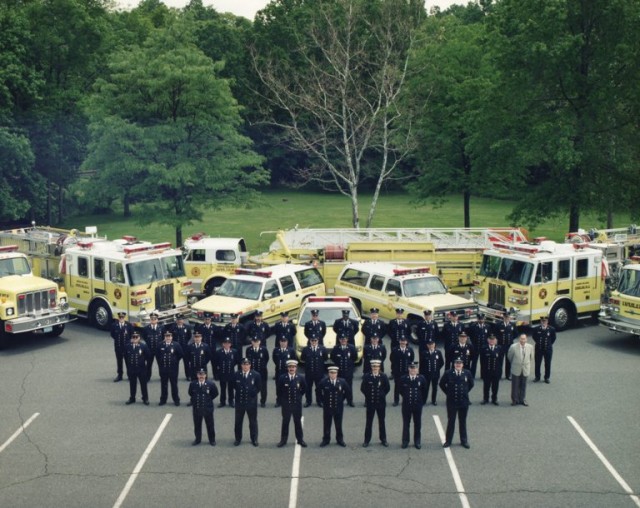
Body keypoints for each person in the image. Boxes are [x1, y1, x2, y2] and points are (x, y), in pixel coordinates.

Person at [439, 357, 474, 449]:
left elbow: (471, 384)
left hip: (463, 401)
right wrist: (449, 393)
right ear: (454, 364)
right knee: (451, 421)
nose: (458, 365)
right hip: (452, 402)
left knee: (462, 421)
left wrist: (465, 393)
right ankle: (448, 441)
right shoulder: (448, 373)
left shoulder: (467, 373)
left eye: (460, 363)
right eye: (456, 363)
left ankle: (464, 441)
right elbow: (441, 384)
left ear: (462, 364)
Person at [277, 360, 307, 448]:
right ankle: (283, 440)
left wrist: (299, 396)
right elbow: (279, 390)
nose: (291, 369)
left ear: (296, 368)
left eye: (293, 367)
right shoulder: (283, 377)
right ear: (287, 368)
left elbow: (304, 388)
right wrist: (283, 400)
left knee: (297, 422)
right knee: (285, 422)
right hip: (286, 404)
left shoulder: (300, 378)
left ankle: (300, 440)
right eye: (290, 367)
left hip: (296, 404)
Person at [318, 366, 351, 447]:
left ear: (337, 373)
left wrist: (341, 400)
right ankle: (326, 439)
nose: (333, 374)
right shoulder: (324, 381)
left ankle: (340, 439)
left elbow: (348, 392)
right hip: (327, 407)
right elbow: (318, 392)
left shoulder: (342, 381)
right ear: (329, 373)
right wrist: (323, 401)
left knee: (338, 424)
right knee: (327, 424)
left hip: (338, 407)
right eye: (331, 373)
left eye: (334, 373)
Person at [360, 359, 390, 447]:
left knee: (382, 422)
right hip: (370, 403)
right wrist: (368, 396)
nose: (375, 368)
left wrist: (381, 395)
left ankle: (383, 439)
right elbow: (363, 388)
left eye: (376, 366)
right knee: (369, 422)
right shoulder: (367, 376)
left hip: (381, 403)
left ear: (379, 367)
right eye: (373, 366)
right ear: (371, 367)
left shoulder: (383, 376)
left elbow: (387, 388)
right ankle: (366, 440)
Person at [233, 358, 261, 446]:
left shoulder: (256, 375)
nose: (245, 366)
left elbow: (258, 387)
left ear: (250, 365)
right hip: (240, 402)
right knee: (238, 422)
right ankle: (238, 439)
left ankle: (254, 439)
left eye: (247, 364)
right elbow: (233, 386)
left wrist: (252, 394)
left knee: (253, 422)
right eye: (244, 364)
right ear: (241, 365)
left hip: (251, 402)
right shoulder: (237, 374)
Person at [399, 362, 428, 449]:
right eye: (411, 368)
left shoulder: (421, 379)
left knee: (417, 423)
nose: (413, 370)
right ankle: (405, 441)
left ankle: (417, 441)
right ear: (409, 369)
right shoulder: (404, 378)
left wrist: (422, 402)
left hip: (417, 405)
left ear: (417, 370)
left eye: (414, 368)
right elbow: (400, 390)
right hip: (406, 405)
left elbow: (425, 391)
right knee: (406, 424)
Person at [188, 368, 219, 446]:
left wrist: (208, 400)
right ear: (197, 375)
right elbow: (191, 393)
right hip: (197, 408)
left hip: (207, 408)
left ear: (205, 375)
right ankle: (198, 439)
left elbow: (215, 393)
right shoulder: (193, 384)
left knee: (210, 425)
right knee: (197, 425)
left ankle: (212, 440)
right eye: (199, 374)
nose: (201, 376)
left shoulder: (210, 384)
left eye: (203, 374)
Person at [157, 330, 183, 406]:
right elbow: (158, 355)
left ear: (172, 337)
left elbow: (180, 354)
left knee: (174, 385)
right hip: (163, 368)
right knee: (163, 385)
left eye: (169, 336)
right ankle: (163, 400)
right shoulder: (160, 345)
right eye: (166, 336)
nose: (168, 338)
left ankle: (176, 400)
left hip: (173, 369)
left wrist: (174, 361)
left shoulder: (176, 345)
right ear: (164, 337)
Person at [124, 332, 151, 405]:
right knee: (132, 384)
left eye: (136, 337)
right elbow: (126, 357)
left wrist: (142, 362)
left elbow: (148, 356)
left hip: (141, 369)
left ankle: (145, 398)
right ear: (131, 338)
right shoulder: (127, 346)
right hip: (132, 368)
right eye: (133, 337)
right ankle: (132, 398)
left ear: (139, 338)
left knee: (143, 384)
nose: (135, 339)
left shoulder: (143, 346)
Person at [507, 334, 534, 406]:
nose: (523, 340)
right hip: (516, 368)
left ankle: (522, 399)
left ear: (526, 339)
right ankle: (514, 400)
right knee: (515, 385)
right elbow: (510, 357)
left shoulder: (530, 347)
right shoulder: (513, 347)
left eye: (524, 339)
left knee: (523, 385)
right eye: (521, 339)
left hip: (525, 369)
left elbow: (531, 357)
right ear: (519, 339)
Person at [330, 335, 356, 406]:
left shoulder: (351, 348)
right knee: (338, 387)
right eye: (341, 339)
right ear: (339, 340)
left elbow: (354, 357)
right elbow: (333, 357)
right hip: (340, 372)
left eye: (344, 339)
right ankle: (339, 400)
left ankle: (350, 401)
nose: (343, 341)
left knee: (349, 387)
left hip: (348, 371)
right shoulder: (336, 348)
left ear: (347, 339)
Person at [213, 337, 240, 407]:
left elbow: (237, 361)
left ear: (230, 344)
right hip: (222, 372)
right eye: (225, 343)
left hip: (231, 372)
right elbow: (215, 362)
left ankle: (231, 401)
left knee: (231, 388)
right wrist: (217, 373)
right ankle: (222, 401)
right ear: (223, 344)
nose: (227, 345)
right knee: (223, 388)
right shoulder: (219, 352)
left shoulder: (234, 352)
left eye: (228, 343)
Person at [301, 336, 326, 407]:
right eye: (312, 341)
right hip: (309, 373)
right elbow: (303, 358)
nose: (314, 342)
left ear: (318, 340)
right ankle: (308, 401)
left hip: (319, 372)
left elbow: (325, 358)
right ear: (310, 341)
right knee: (308, 388)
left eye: (315, 340)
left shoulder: (322, 349)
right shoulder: (306, 349)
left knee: (319, 388)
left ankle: (320, 401)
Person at [245, 336, 270, 407]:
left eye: (257, 341)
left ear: (259, 342)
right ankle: (252, 400)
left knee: (263, 388)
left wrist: (262, 366)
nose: (255, 343)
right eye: (254, 341)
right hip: (252, 371)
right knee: (251, 387)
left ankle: (263, 401)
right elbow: (248, 360)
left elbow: (266, 359)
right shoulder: (249, 349)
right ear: (252, 342)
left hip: (262, 371)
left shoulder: (264, 349)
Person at [479, 334, 504, 405]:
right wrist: (482, 372)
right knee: (486, 386)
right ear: (488, 340)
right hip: (487, 371)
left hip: (496, 371)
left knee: (495, 386)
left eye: (493, 340)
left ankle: (494, 399)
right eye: (490, 340)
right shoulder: (484, 348)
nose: (492, 341)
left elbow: (501, 361)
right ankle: (485, 399)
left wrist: (500, 372)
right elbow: (482, 362)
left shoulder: (499, 348)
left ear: (496, 341)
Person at [390, 337, 415, 406]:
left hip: (406, 371)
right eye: (401, 341)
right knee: (397, 386)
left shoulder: (410, 350)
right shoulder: (395, 350)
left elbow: (411, 359)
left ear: (406, 342)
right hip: (398, 371)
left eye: (404, 341)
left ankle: (406, 400)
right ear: (399, 342)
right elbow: (392, 359)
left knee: (407, 387)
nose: (403, 343)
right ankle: (396, 400)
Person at [272, 337, 296, 407]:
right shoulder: (276, 350)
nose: (283, 343)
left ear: (287, 342)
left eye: (284, 341)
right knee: (279, 386)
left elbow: (293, 360)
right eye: (282, 341)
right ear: (279, 342)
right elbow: (274, 359)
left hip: (287, 372)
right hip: (279, 371)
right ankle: (278, 401)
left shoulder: (291, 350)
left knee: (289, 386)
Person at [419, 339, 444, 406]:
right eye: (429, 344)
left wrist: (437, 369)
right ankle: (424, 400)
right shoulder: (424, 353)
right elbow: (422, 364)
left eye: (432, 344)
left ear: (434, 345)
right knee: (426, 388)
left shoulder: (438, 352)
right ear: (427, 345)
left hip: (435, 374)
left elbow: (441, 362)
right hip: (426, 374)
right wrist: (421, 373)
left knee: (435, 388)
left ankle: (434, 400)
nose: (431, 346)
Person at [532, 316, 556, 383]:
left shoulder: (551, 329)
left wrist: (549, 344)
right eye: (542, 321)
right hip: (539, 349)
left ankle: (547, 377)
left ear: (547, 322)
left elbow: (553, 338)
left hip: (547, 349)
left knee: (547, 364)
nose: (544, 322)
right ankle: (537, 377)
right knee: (537, 363)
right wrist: (539, 343)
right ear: (541, 321)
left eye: (545, 321)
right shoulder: (536, 329)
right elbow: (534, 337)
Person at [110, 312, 133, 382]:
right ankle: (120, 375)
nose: (121, 319)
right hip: (118, 347)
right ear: (118, 318)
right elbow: (112, 334)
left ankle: (130, 375)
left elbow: (131, 334)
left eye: (122, 317)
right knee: (119, 361)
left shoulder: (128, 325)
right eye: (120, 317)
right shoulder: (114, 325)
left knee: (128, 362)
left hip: (126, 347)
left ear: (124, 318)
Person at [466, 313, 490, 377]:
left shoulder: (487, 326)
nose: (481, 320)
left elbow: (489, 336)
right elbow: (469, 335)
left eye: (482, 319)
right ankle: (472, 375)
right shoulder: (473, 326)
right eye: (479, 319)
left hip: (484, 347)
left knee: (483, 361)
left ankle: (483, 375)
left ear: (484, 319)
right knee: (474, 361)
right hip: (475, 346)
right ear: (477, 319)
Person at [493, 311, 516, 379]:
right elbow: (495, 333)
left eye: (508, 317)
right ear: (503, 317)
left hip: (509, 345)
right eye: (505, 317)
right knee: (500, 361)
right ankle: (499, 375)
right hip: (501, 345)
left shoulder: (512, 325)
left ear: (509, 317)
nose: (506, 318)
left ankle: (508, 375)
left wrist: (511, 339)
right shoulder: (499, 325)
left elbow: (516, 333)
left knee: (508, 361)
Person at [170, 314, 192, 380]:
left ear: (183, 320)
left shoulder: (187, 327)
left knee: (187, 363)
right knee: (175, 363)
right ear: (176, 321)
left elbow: (189, 336)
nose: (179, 321)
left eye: (181, 320)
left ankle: (188, 376)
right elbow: (172, 337)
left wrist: (184, 343)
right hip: (176, 348)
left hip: (185, 347)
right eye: (178, 320)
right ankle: (174, 376)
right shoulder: (173, 327)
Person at [143, 311, 163, 381]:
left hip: (159, 350)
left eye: (155, 319)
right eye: (152, 319)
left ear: (157, 320)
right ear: (150, 320)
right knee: (148, 364)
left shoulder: (161, 328)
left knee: (161, 364)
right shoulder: (146, 328)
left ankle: (162, 376)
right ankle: (147, 377)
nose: (153, 320)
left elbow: (163, 337)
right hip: (150, 349)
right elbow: (145, 337)